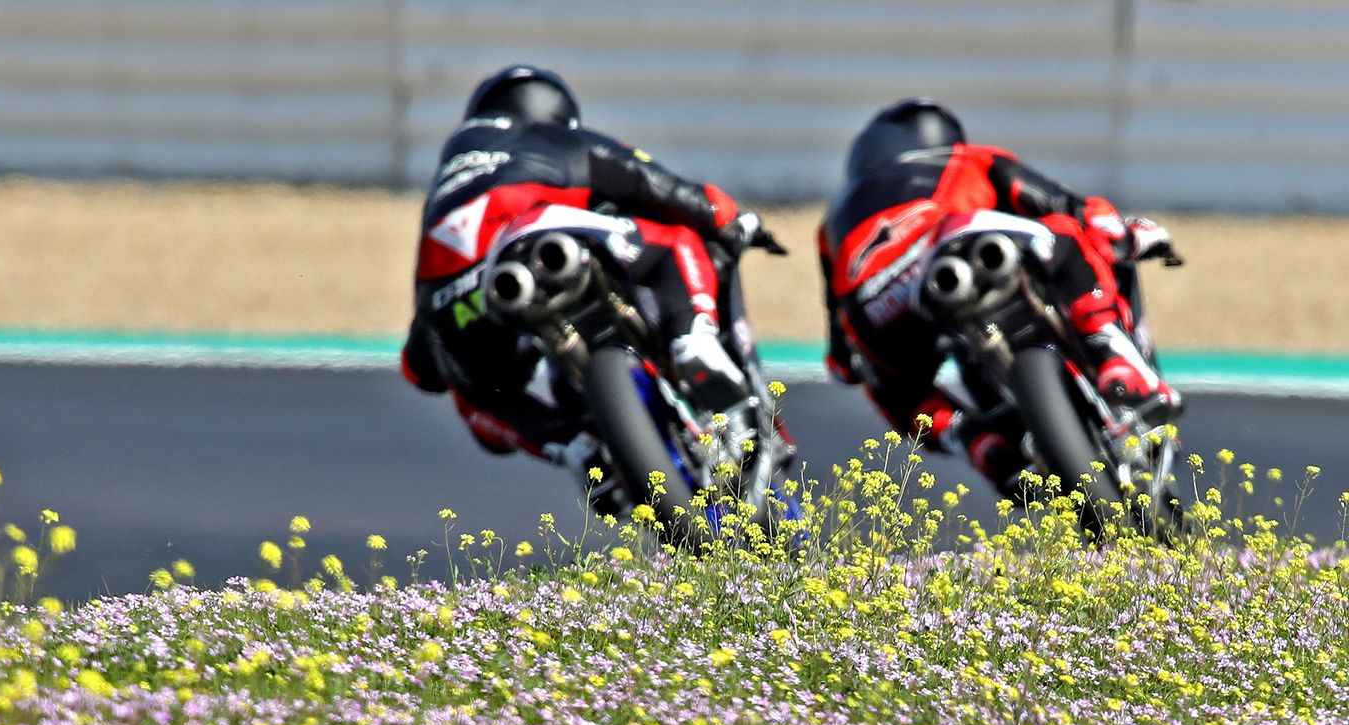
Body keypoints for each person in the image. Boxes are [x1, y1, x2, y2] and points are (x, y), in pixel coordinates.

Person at [403, 64, 784, 486]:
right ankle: (694, 339)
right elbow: (650, 182)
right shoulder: (544, 138)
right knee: (673, 239)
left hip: (458, 302)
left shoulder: (440, 194)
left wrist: (449, 357)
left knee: (475, 394)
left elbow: (420, 366)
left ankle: (569, 446)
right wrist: (724, 217)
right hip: (540, 235)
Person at [818, 98, 1183, 495]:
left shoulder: (831, 224)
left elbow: (842, 361)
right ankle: (1109, 349)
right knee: (1065, 235)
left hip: (876, 310)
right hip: (958, 238)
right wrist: (1121, 232)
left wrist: (854, 360)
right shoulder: (965, 159)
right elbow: (1059, 204)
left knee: (894, 390)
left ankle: (979, 444)